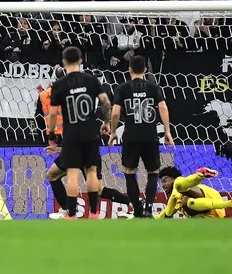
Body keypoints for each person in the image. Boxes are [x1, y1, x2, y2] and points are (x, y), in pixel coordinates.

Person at [42, 68, 131, 219]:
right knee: (54, 175)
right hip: (87, 144)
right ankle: (71, 209)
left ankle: (70, 210)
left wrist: (54, 140)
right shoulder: (88, 90)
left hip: (79, 146)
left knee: (94, 188)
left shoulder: (67, 99)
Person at [46, 46, 112, 219]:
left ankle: (72, 214)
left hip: (71, 135)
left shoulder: (59, 85)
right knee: (91, 171)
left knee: (73, 173)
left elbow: (52, 113)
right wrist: (106, 123)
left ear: (63, 63)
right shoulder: (91, 80)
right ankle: (94, 213)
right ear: (81, 61)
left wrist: (51, 135)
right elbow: (106, 103)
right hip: (91, 133)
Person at [109, 55, 174, 218]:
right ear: (145, 69)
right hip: (150, 136)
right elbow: (163, 108)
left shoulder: (122, 89)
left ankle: (137, 209)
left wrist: (113, 132)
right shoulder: (153, 88)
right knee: (153, 172)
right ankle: (149, 208)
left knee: (129, 171)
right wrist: (167, 131)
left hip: (131, 136)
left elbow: (116, 112)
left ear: (129, 69)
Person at [157, 166, 232, 218]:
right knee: (187, 203)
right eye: (162, 183)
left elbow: (177, 187)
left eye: (165, 181)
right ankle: (230, 203)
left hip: (211, 200)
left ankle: (200, 175)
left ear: (173, 178)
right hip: (211, 220)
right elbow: (165, 214)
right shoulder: (176, 200)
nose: (163, 185)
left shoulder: (181, 182)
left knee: (181, 190)